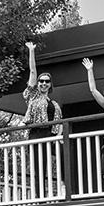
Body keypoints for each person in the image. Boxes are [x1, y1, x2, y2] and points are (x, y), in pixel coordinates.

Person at [22, 42, 62, 179]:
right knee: (39, 168)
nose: (44, 83)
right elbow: (33, 72)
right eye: (41, 81)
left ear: (50, 85)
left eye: (47, 81)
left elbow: (59, 122)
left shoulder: (54, 103)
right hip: (37, 134)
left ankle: (64, 185)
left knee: (63, 156)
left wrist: (58, 136)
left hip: (51, 136)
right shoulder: (33, 96)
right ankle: (40, 198)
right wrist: (32, 51)